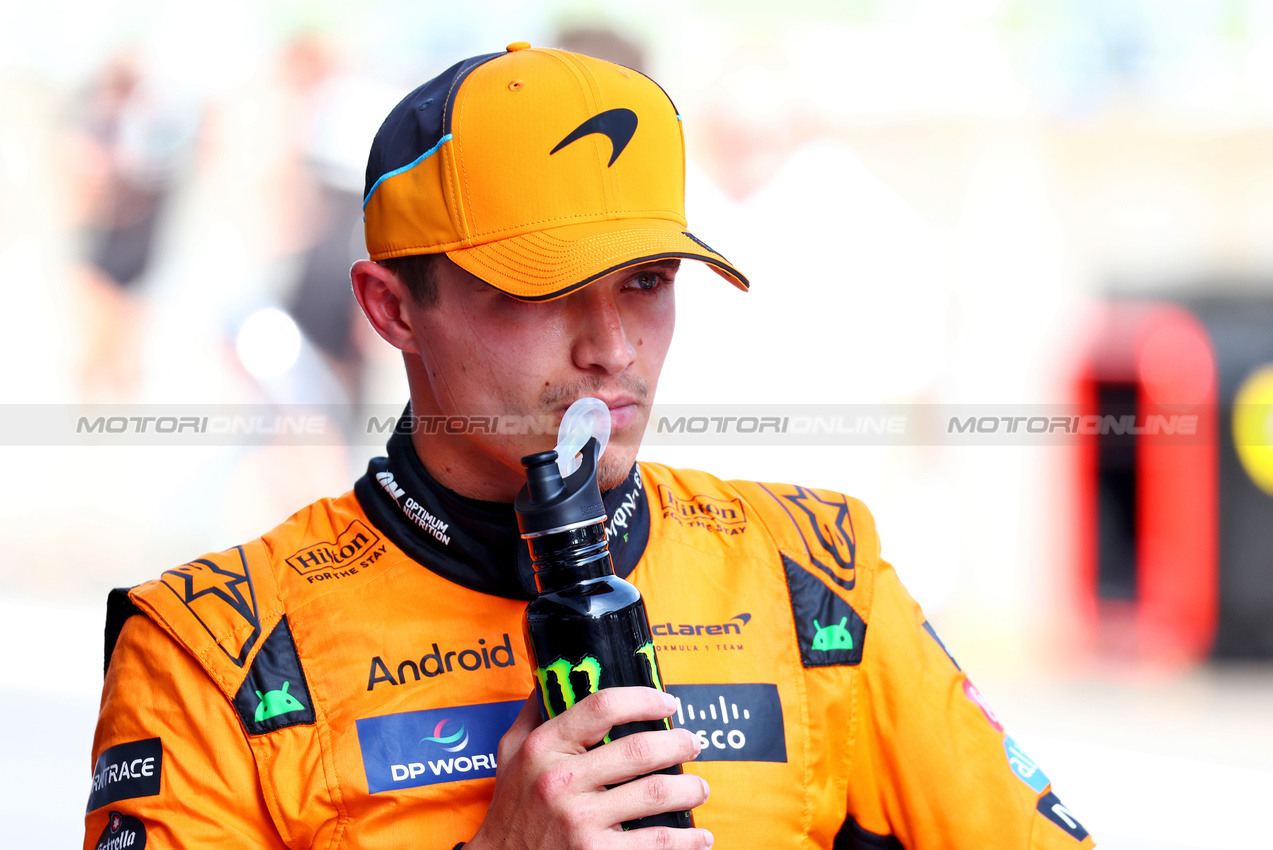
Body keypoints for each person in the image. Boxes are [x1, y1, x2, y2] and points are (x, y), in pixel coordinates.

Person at [84, 44, 1094, 850]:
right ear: (392, 309)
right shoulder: (209, 649)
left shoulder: (813, 575)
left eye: (646, 281)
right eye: (537, 291)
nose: (610, 348)